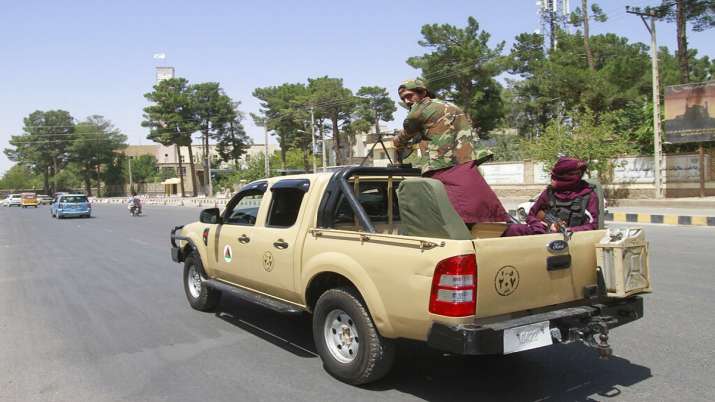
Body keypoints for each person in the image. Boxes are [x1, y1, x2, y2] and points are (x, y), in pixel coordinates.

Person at [392, 79, 509, 225]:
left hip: (442, 166)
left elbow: (407, 131)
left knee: (451, 215)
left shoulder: (419, 110)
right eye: (403, 98)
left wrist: (396, 142)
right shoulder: (448, 105)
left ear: (422, 92)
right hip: (464, 162)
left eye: (410, 96)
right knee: (482, 207)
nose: (407, 101)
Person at [503, 157, 599, 237]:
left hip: (574, 239)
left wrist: (569, 230)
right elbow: (532, 215)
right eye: (553, 177)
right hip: (545, 235)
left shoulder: (588, 195)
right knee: (512, 229)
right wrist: (542, 225)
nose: (553, 181)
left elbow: (593, 225)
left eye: (557, 178)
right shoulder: (549, 193)